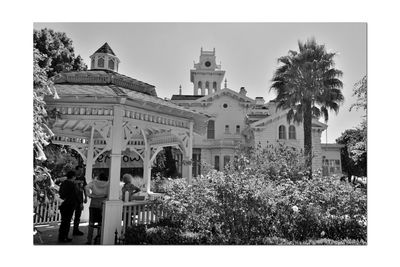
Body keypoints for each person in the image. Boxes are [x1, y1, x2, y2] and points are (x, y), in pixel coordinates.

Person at [85, 172, 109, 245]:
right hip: (103, 203)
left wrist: (89, 195)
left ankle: (89, 240)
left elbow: (86, 187)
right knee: (101, 222)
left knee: (91, 222)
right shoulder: (108, 183)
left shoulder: (94, 182)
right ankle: (99, 237)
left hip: (94, 203)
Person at [58, 170, 80, 243]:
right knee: (67, 222)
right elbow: (76, 195)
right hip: (70, 205)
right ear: (73, 177)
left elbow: (60, 193)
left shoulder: (63, 183)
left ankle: (61, 237)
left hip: (63, 204)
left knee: (63, 222)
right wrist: (80, 203)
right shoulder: (72, 184)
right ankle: (65, 237)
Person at [72, 165, 87, 236]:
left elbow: (84, 188)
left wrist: (86, 197)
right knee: (69, 216)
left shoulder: (83, 178)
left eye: (82, 171)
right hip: (72, 199)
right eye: (80, 170)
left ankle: (76, 230)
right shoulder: (72, 176)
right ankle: (65, 232)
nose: (81, 172)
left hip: (80, 199)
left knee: (78, 216)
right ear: (76, 170)